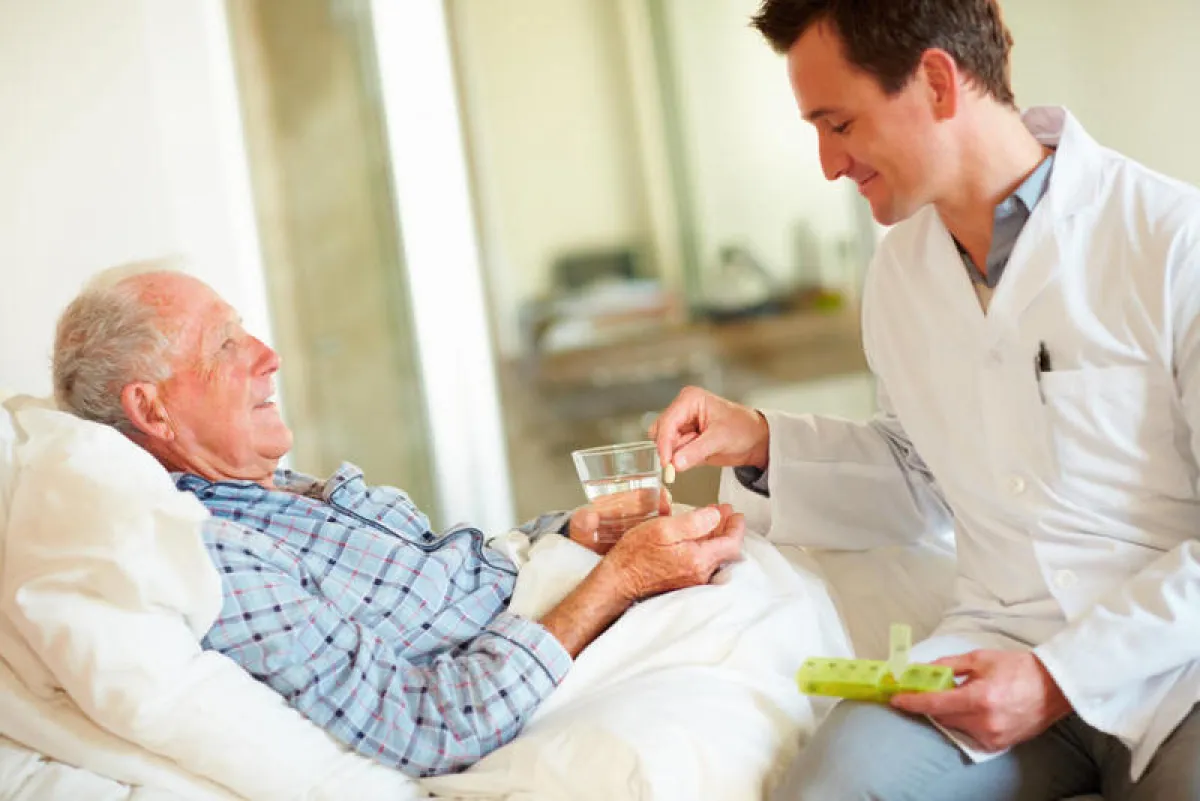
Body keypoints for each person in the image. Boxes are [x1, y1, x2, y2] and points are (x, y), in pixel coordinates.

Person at [652, 1, 1200, 799]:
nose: (828, 164)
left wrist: (1061, 675)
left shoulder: (1173, 241)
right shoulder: (900, 272)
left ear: (937, 83)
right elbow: (921, 477)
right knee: (831, 789)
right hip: (996, 643)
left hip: (1177, 663)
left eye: (840, 124)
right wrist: (762, 440)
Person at [51, 267, 745, 778]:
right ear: (151, 410)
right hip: (552, 685)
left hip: (566, 606)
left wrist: (569, 536)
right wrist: (616, 583)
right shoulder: (217, 557)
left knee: (767, 572)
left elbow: (456, 574)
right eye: (225, 344)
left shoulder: (277, 489)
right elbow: (423, 725)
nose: (268, 355)